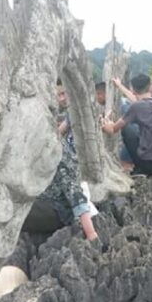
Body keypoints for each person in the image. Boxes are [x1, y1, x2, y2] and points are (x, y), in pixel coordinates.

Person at [23, 82, 99, 241]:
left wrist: (91, 234)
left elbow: (74, 192)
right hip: (47, 200)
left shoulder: (57, 149)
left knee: (16, 211)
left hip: (58, 211)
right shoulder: (40, 144)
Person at [101, 73, 152, 176]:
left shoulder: (136, 108)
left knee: (128, 128)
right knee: (137, 129)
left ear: (133, 90)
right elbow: (136, 99)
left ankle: (139, 169)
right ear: (150, 87)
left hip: (151, 165)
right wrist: (120, 86)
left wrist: (105, 122)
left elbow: (112, 130)